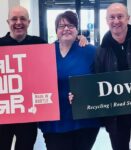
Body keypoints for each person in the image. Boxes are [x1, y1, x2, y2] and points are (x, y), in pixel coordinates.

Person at [0, 6, 89, 150]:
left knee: (25, 146)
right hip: (3, 114)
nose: (18, 22)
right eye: (14, 19)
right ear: (7, 22)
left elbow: (61, 43)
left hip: (28, 115)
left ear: (28, 22)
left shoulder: (39, 44)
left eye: (22, 19)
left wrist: (78, 37)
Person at [39, 11, 100, 150]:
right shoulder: (44, 52)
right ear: (56, 31)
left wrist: (86, 94)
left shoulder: (91, 52)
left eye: (70, 25)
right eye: (61, 26)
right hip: (54, 122)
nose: (66, 28)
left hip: (84, 121)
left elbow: (101, 82)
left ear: (77, 29)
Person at [94, 3, 131, 150]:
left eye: (120, 16)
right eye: (112, 17)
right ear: (107, 20)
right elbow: (96, 83)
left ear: (128, 19)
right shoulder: (101, 50)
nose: (116, 21)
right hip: (116, 117)